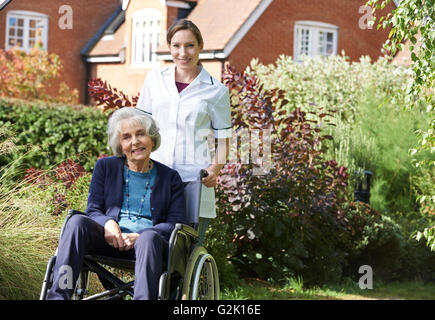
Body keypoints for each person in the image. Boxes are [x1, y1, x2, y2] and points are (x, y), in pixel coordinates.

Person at [46, 107, 186, 300]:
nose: (134, 142)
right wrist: (108, 223)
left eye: (140, 134)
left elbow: (176, 224)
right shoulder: (105, 167)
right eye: (126, 137)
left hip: (147, 247)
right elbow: (93, 209)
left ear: (152, 139)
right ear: (120, 145)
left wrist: (140, 235)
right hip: (108, 240)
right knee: (76, 222)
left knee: (148, 239)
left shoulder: (170, 178)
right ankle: (59, 296)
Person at [136, 19, 231, 242]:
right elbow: (139, 126)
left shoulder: (216, 91)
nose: (183, 52)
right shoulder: (154, 79)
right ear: (169, 47)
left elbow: (225, 140)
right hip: (154, 176)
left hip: (193, 181)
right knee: (148, 241)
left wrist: (215, 169)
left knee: (184, 249)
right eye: (176, 45)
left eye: (189, 45)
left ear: (200, 46)